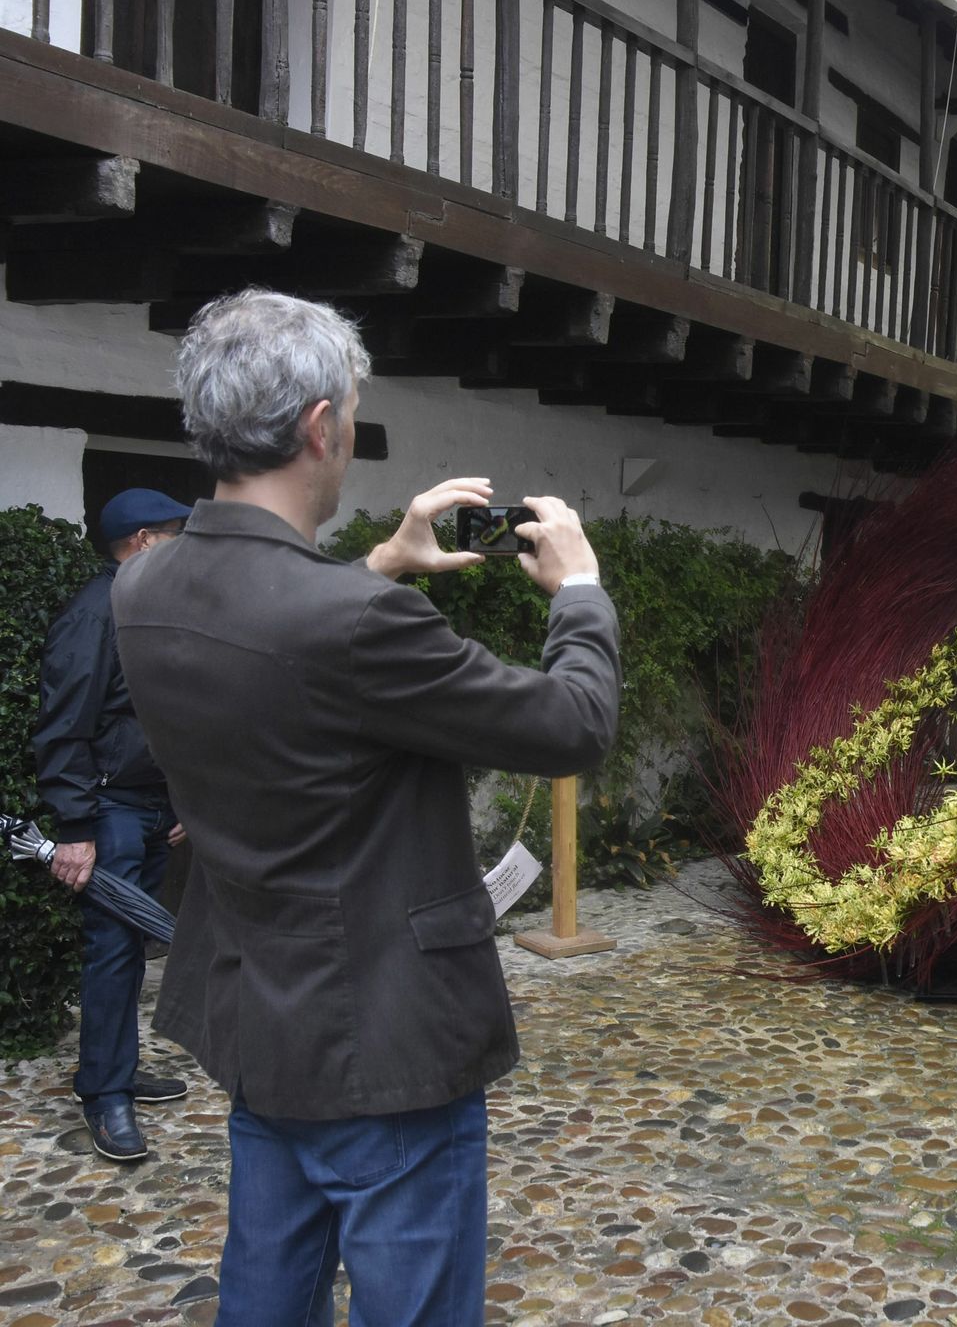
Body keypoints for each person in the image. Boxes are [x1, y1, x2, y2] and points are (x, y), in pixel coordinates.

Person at [111, 289, 621, 1326]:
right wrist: (578, 591)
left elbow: (271, 632)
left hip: (261, 1023)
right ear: (319, 427)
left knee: (266, 1299)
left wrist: (387, 558)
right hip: (385, 1044)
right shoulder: (353, 624)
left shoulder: (144, 589)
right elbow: (572, 724)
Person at [33, 487, 194, 1163]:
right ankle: (104, 1095)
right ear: (144, 542)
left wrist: (182, 798)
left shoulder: (144, 605)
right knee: (114, 950)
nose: (186, 546)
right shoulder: (95, 612)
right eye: (175, 533)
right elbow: (63, 728)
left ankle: (112, 1071)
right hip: (111, 812)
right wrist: (75, 826)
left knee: (132, 951)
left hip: (152, 806)